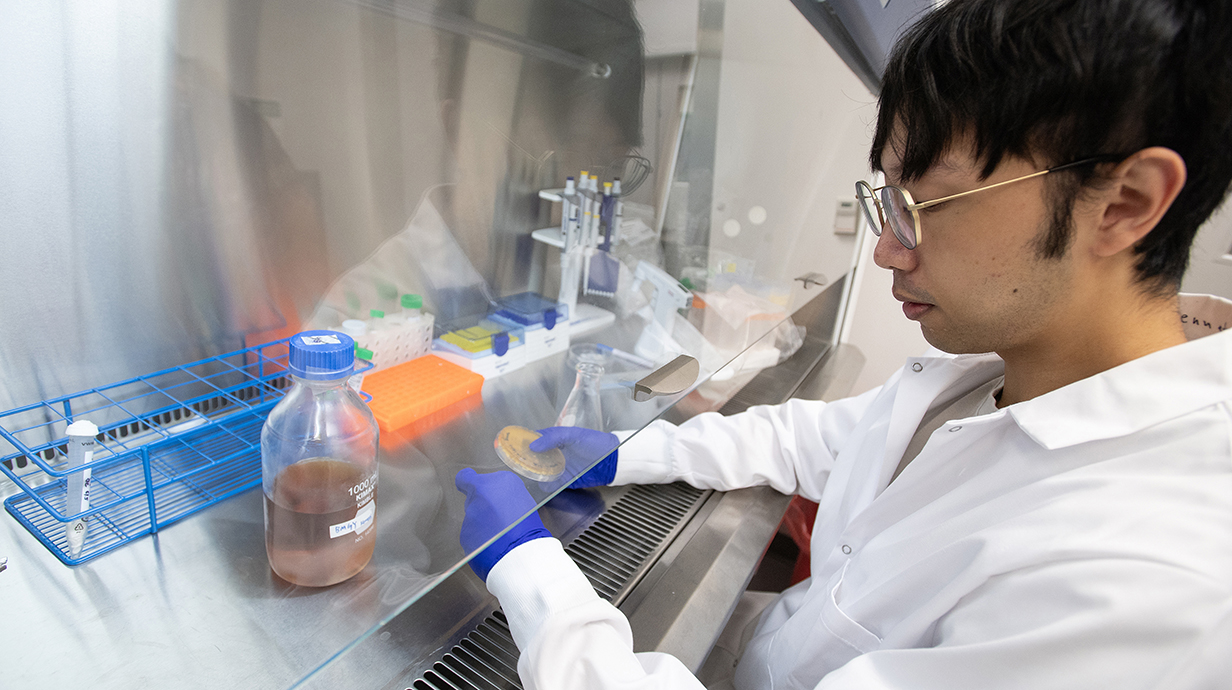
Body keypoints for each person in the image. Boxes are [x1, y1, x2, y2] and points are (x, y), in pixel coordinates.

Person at [453, 0, 1232, 687]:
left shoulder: (1143, 586)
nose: (889, 250)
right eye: (887, 202)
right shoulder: (1000, 372)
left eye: (927, 204)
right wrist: (628, 453)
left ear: (1124, 203)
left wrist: (532, 579)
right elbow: (822, 436)